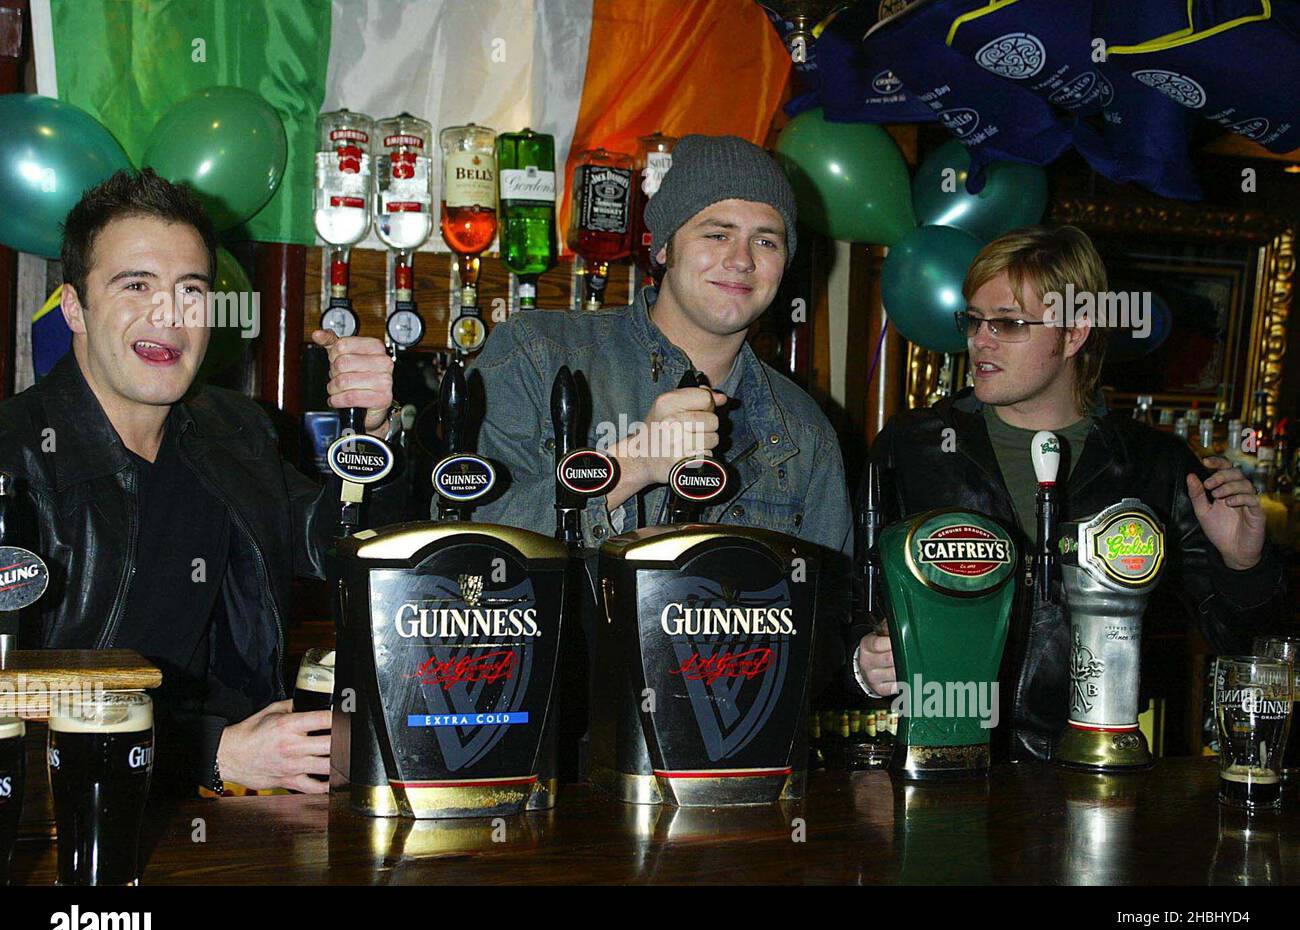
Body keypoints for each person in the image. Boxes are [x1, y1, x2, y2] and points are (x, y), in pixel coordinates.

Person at [0, 169, 405, 795]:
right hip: (64, 828)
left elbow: (341, 549)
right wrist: (212, 755)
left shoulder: (235, 431)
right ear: (75, 308)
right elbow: (11, 718)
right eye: (136, 285)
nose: (168, 315)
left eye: (190, 291)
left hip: (244, 809)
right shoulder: (14, 458)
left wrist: (371, 438)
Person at [853, 224, 1286, 760]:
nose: (979, 340)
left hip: (1096, 775)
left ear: (1075, 332)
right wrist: (861, 662)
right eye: (973, 319)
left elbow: (1251, 652)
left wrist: (1245, 565)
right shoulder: (913, 446)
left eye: (1007, 323)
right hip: (945, 769)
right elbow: (851, 606)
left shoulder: (1153, 465)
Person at [471, 134, 852, 688]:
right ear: (665, 247)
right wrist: (631, 466)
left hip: (723, 741)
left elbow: (823, 629)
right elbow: (463, 558)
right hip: (549, 737)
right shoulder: (538, 354)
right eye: (716, 233)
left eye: (765, 241)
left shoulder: (804, 429)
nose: (741, 259)